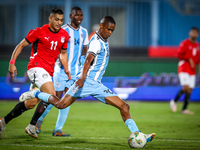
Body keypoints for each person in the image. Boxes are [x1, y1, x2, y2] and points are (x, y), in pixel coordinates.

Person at [19, 16, 155, 143]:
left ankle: (138, 135)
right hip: (85, 82)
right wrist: (82, 78)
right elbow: (88, 60)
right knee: (61, 104)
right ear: (101, 26)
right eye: (108, 29)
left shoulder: (103, 39)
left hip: (96, 84)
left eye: (112, 30)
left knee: (124, 106)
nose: (110, 32)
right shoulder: (96, 41)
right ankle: (35, 93)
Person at [0, 8, 70, 139]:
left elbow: (63, 53)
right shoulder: (39, 32)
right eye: (56, 19)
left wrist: (66, 68)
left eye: (61, 20)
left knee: (31, 104)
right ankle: (33, 124)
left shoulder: (64, 35)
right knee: (52, 94)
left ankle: (3, 122)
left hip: (48, 72)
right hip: (35, 68)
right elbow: (20, 45)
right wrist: (12, 62)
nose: (59, 22)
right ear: (50, 19)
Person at [35, 7, 89, 137]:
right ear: (71, 16)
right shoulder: (63, 29)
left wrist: (83, 62)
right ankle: (37, 122)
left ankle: (58, 130)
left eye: (81, 15)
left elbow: (85, 50)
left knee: (67, 99)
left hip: (75, 72)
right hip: (60, 70)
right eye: (77, 15)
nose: (80, 18)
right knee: (56, 97)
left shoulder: (84, 32)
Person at [170, 27, 200, 115]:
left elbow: (198, 59)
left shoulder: (197, 45)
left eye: (196, 33)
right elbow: (179, 54)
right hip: (183, 68)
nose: (194, 34)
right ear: (190, 33)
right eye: (193, 32)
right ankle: (173, 101)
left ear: (197, 35)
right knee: (185, 87)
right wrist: (189, 59)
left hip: (192, 70)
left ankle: (184, 109)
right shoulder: (184, 43)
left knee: (190, 90)